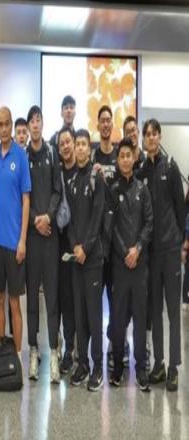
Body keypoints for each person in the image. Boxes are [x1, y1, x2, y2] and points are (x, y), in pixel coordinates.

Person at [138, 119, 185, 391]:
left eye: (155, 134)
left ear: (160, 137)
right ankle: (158, 364)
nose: (151, 138)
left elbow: (181, 208)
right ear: (144, 139)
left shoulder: (171, 167)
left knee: (173, 311)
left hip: (171, 251)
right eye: (147, 134)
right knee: (154, 311)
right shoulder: (142, 171)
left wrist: (182, 241)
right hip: (152, 254)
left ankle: (174, 367)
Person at [0, 106, 31, 367]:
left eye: (6, 124)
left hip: (14, 245)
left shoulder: (20, 156)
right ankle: (2, 354)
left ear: (11, 126)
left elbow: (26, 200)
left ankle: (18, 359)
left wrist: (22, 240)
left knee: (14, 302)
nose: (3, 129)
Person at [109, 137, 152, 391]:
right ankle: (117, 367)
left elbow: (149, 222)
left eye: (129, 155)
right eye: (121, 156)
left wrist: (137, 248)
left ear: (135, 158)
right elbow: (111, 227)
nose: (125, 159)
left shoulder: (142, 190)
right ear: (117, 160)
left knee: (140, 317)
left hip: (140, 265)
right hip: (120, 265)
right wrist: (125, 251)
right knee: (118, 319)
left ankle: (141, 368)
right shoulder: (113, 190)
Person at [67, 129, 105, 392]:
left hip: (92, 260)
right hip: (75, 259)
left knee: (93, 315)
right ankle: (82, 364)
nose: (79, 148)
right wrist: (74, 247)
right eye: (77, 144)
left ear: (88, 149)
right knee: (79, 315)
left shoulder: (96, 177)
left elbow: (98, 217)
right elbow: (69, 220)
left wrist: (86, 248)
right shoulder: (71, 181)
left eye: (83, 144)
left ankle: (97, 367)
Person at [25, 105, 62, 384]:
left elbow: (57, 191)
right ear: (28, 127)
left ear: (42, 124)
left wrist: (47, 217)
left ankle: (55, 354)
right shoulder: (23, 156)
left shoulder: (52, 153)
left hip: (50, 236)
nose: (35, 125)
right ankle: (34, 351)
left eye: (38, 120)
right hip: (31, 237)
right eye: (32, 121)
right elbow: (21, 196)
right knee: (32, 301)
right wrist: (34, 221)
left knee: (51, 298)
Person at [91, 105, 118, 369]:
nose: (106, 124)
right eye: (102, 120)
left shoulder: (121, 155)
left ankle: (114, 343)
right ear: (98, 125)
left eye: (109, 120)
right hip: (97, 242)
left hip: (117, 241)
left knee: (115, 298)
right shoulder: (92, 156)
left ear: (112, 124)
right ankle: (93, 350)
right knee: (94, 300)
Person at [56, 127, 77, 374]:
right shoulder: (58, 174)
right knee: (64, 299)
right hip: (61, 244)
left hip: (82, 246)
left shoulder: (84, 172)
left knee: (77, 300)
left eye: (68, 142)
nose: (66, 146)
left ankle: (77, 348)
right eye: (61, 143)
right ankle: (67, 348)